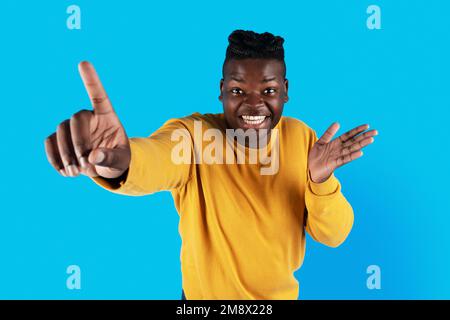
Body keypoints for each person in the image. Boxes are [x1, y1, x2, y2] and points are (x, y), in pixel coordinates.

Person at [44, 30, 378, 300]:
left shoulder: (303, 139)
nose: (253, 104)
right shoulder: (193, 135)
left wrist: (320, 181)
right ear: (221, 91)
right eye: (237, 89)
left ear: (285, 92)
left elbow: (335, 234)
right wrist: (119, 158)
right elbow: (155, 159)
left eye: (268, 90)